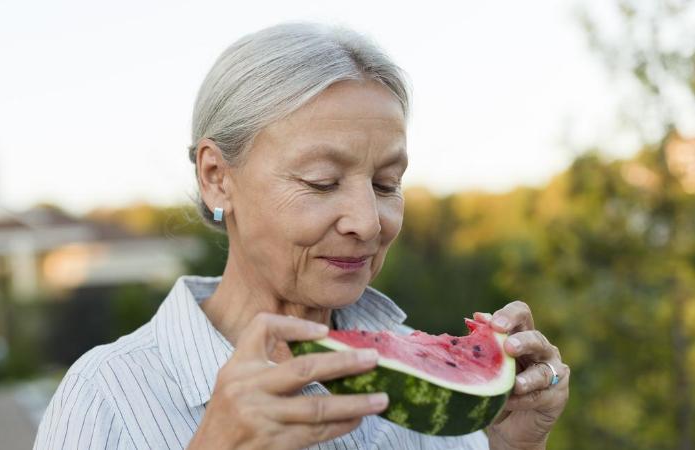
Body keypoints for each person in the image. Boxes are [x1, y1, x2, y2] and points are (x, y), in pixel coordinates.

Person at [33, 21, 569, 450]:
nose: (367, 220)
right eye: (321, 181)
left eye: (386, 183)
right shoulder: (105, 395)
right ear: (217, 178)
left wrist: (509, 445)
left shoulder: (430, 398)